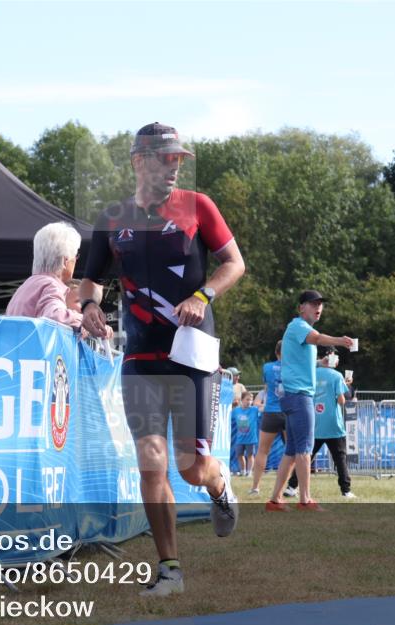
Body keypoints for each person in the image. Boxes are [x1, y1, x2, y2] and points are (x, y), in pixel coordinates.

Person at [79, 122, 245, 596]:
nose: (173, 168)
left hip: (191, 354)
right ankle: (169, 569)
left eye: (178, 160)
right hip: (140, 356)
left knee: (191, 467)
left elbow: (234, 262)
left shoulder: (199, 206)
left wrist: (204, 294)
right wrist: (89, 306)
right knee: (150, 461)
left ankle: (219, 486)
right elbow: (90, 281)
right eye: (164, 159)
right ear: (138, 161)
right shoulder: (112, 218)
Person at [265, 290, 353, 512]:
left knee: (292, 451)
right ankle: (305, 499)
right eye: (314, 303)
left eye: (321, 304)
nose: (319, 307)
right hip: (300, 396)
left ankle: (275, 499)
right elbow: (317, 338)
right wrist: (340, 341)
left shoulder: (297, 329)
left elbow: (297, 362)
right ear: (301, 307)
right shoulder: (299, 327)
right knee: (305, 449)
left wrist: (320, 363)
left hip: (293, 396)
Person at [6, 222, 86, 329]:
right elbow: (54, 316)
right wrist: (85, 320)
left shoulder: (25, 286)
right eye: (75, 256)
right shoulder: (51, 286)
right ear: (65, 260)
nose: (76, 261)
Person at [249, 340, 285, 496]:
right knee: (291, 452)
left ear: (276, 352)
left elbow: (267, 387)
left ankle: (255, 487)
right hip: (287, 412)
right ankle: (289, 487)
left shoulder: (267, 367)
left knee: (262, 451)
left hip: (270, 411)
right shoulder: (293, 368)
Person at [230, 392, 259, 476]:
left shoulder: (254, 410)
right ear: (242, 400)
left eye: (251, 400)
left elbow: (262, 410)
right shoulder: (236, 411)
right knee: (240, 455)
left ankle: (249, 472)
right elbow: (229, 416)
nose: (249, 402)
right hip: (240, 439)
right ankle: (243, 471)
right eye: (247, 399)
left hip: (251, 439)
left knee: (250, 455)